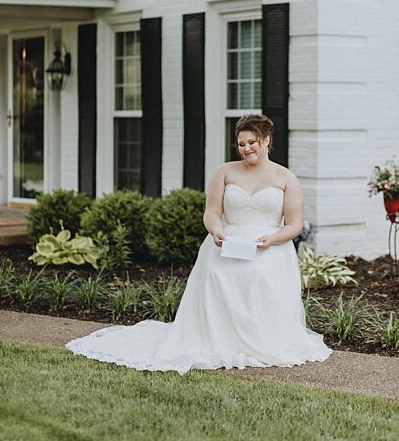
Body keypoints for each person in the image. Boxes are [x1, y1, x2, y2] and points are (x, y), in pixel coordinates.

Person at [65, 114, 331, 373]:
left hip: (269, 247)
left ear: (266, 140)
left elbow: (294, 224)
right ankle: (216, 339)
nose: (246, 148)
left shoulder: (286, 178)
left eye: (252, 142)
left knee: (259, 275)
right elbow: (212, 212)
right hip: (227, 243)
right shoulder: (224, 172)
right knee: (218, 274)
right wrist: (216, 230)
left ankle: (262, 340)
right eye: (241, 143)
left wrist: (272, 239)